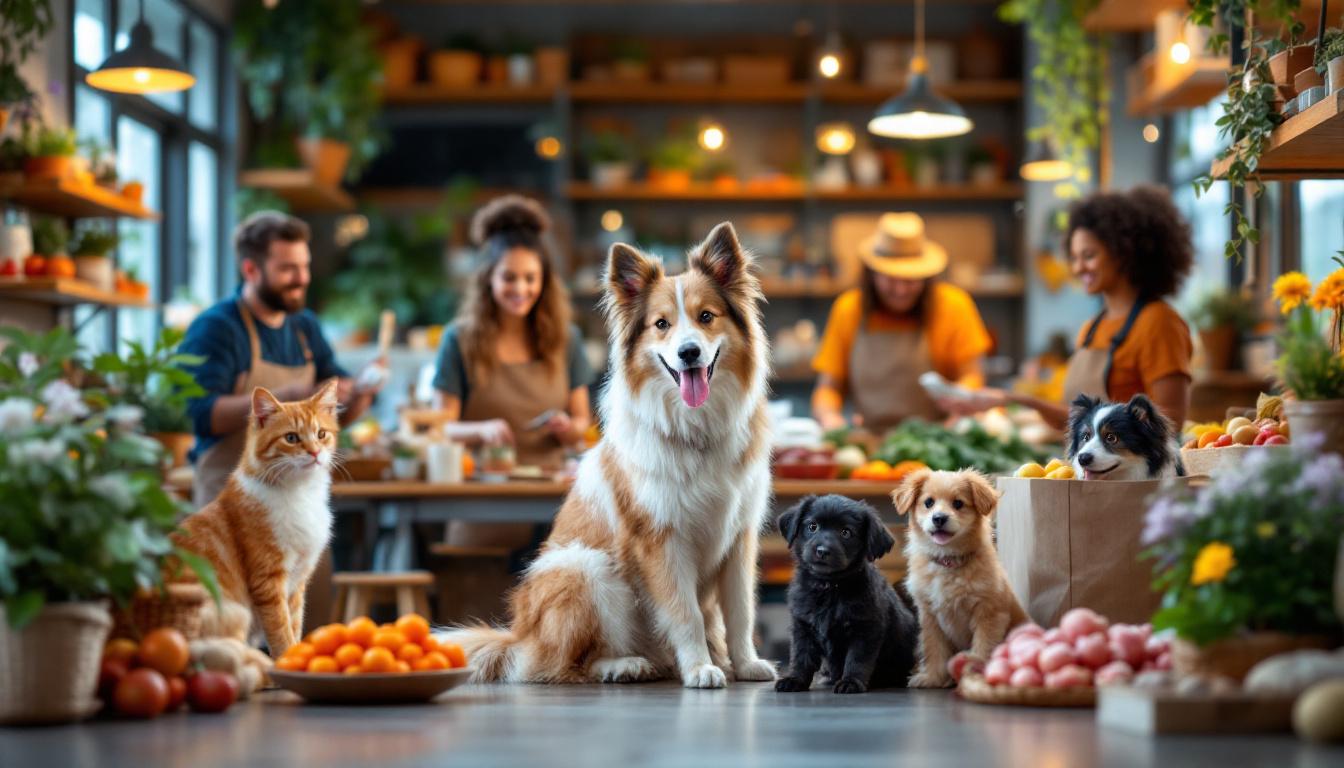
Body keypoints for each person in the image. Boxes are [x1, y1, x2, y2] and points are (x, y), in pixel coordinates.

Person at [181, 211, 385, 508]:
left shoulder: (305, 326)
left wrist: (362, 391)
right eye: (288, 269)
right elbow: (198, 415)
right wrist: (289, 397)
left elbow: (336, 414)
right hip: (231, 503)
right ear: (251, 270)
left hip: (302, 503)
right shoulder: (217, 327)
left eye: (305, 266)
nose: (302, 278)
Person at [948, 186, 1194, 428]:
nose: (1077, 269)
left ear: (1124, 252)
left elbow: (1170, 422)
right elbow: (1077, 420)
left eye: (1088, 256)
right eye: (1074, 258)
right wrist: (1011, 399)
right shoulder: (1091, 328)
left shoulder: (1158, 322)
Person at [431, 194, 593, 470]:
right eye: (508, 277)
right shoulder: (458, 340)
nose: (520, 289)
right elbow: (439, 429)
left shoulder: (568, 339)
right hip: (480, 488)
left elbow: (582, 423)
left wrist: (568, 428)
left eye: (530, 278)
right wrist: (481, 430)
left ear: (544, 281)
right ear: (488, 279)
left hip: (552, 490)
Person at [811, 212, 992, 433]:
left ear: (926, 275)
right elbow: (829, 387)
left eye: (910, 280)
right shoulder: (848, 309)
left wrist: (961, 402)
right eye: (890, 279)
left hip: (939, 439)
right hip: (869, 439)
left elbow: (972, 374)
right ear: (872, 274)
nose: (900, 290)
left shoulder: (954, 305)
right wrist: (830, 418)